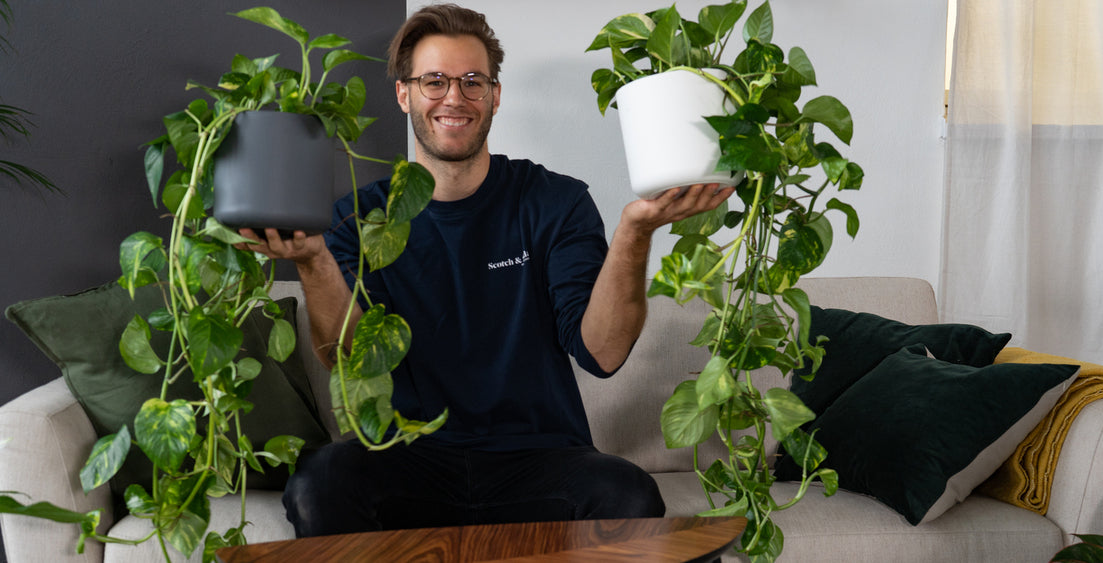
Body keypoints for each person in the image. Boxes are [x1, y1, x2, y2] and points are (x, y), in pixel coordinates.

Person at [238, 3, 735, 537]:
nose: (454, 97)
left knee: (629, 493)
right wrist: (312, 260)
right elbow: (350, 361)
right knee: (319, 481)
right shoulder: (357, 217)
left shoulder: (556, 202)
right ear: (404, 93)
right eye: (434, 81)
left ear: (495, 96)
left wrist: (635, 234)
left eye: (473, 81)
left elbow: (604, 353)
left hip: (540, 458)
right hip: (406, 457)